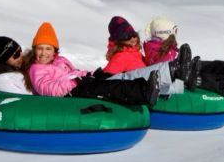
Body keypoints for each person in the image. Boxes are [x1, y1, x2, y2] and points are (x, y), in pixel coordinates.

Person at [22, 22, 160, 106]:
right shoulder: (36, 69)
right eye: (40, 48)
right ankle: (144, 93)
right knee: (108, 88)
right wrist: (76, 83)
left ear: (54, 51)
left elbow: (73, 72)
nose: (43, 53)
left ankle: (145, 86)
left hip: (75, 88)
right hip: (65, 97)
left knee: (107, 80)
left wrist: (89, 74)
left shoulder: (59, 61)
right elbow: (47, 88)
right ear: (34, 51)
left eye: (48, 49)